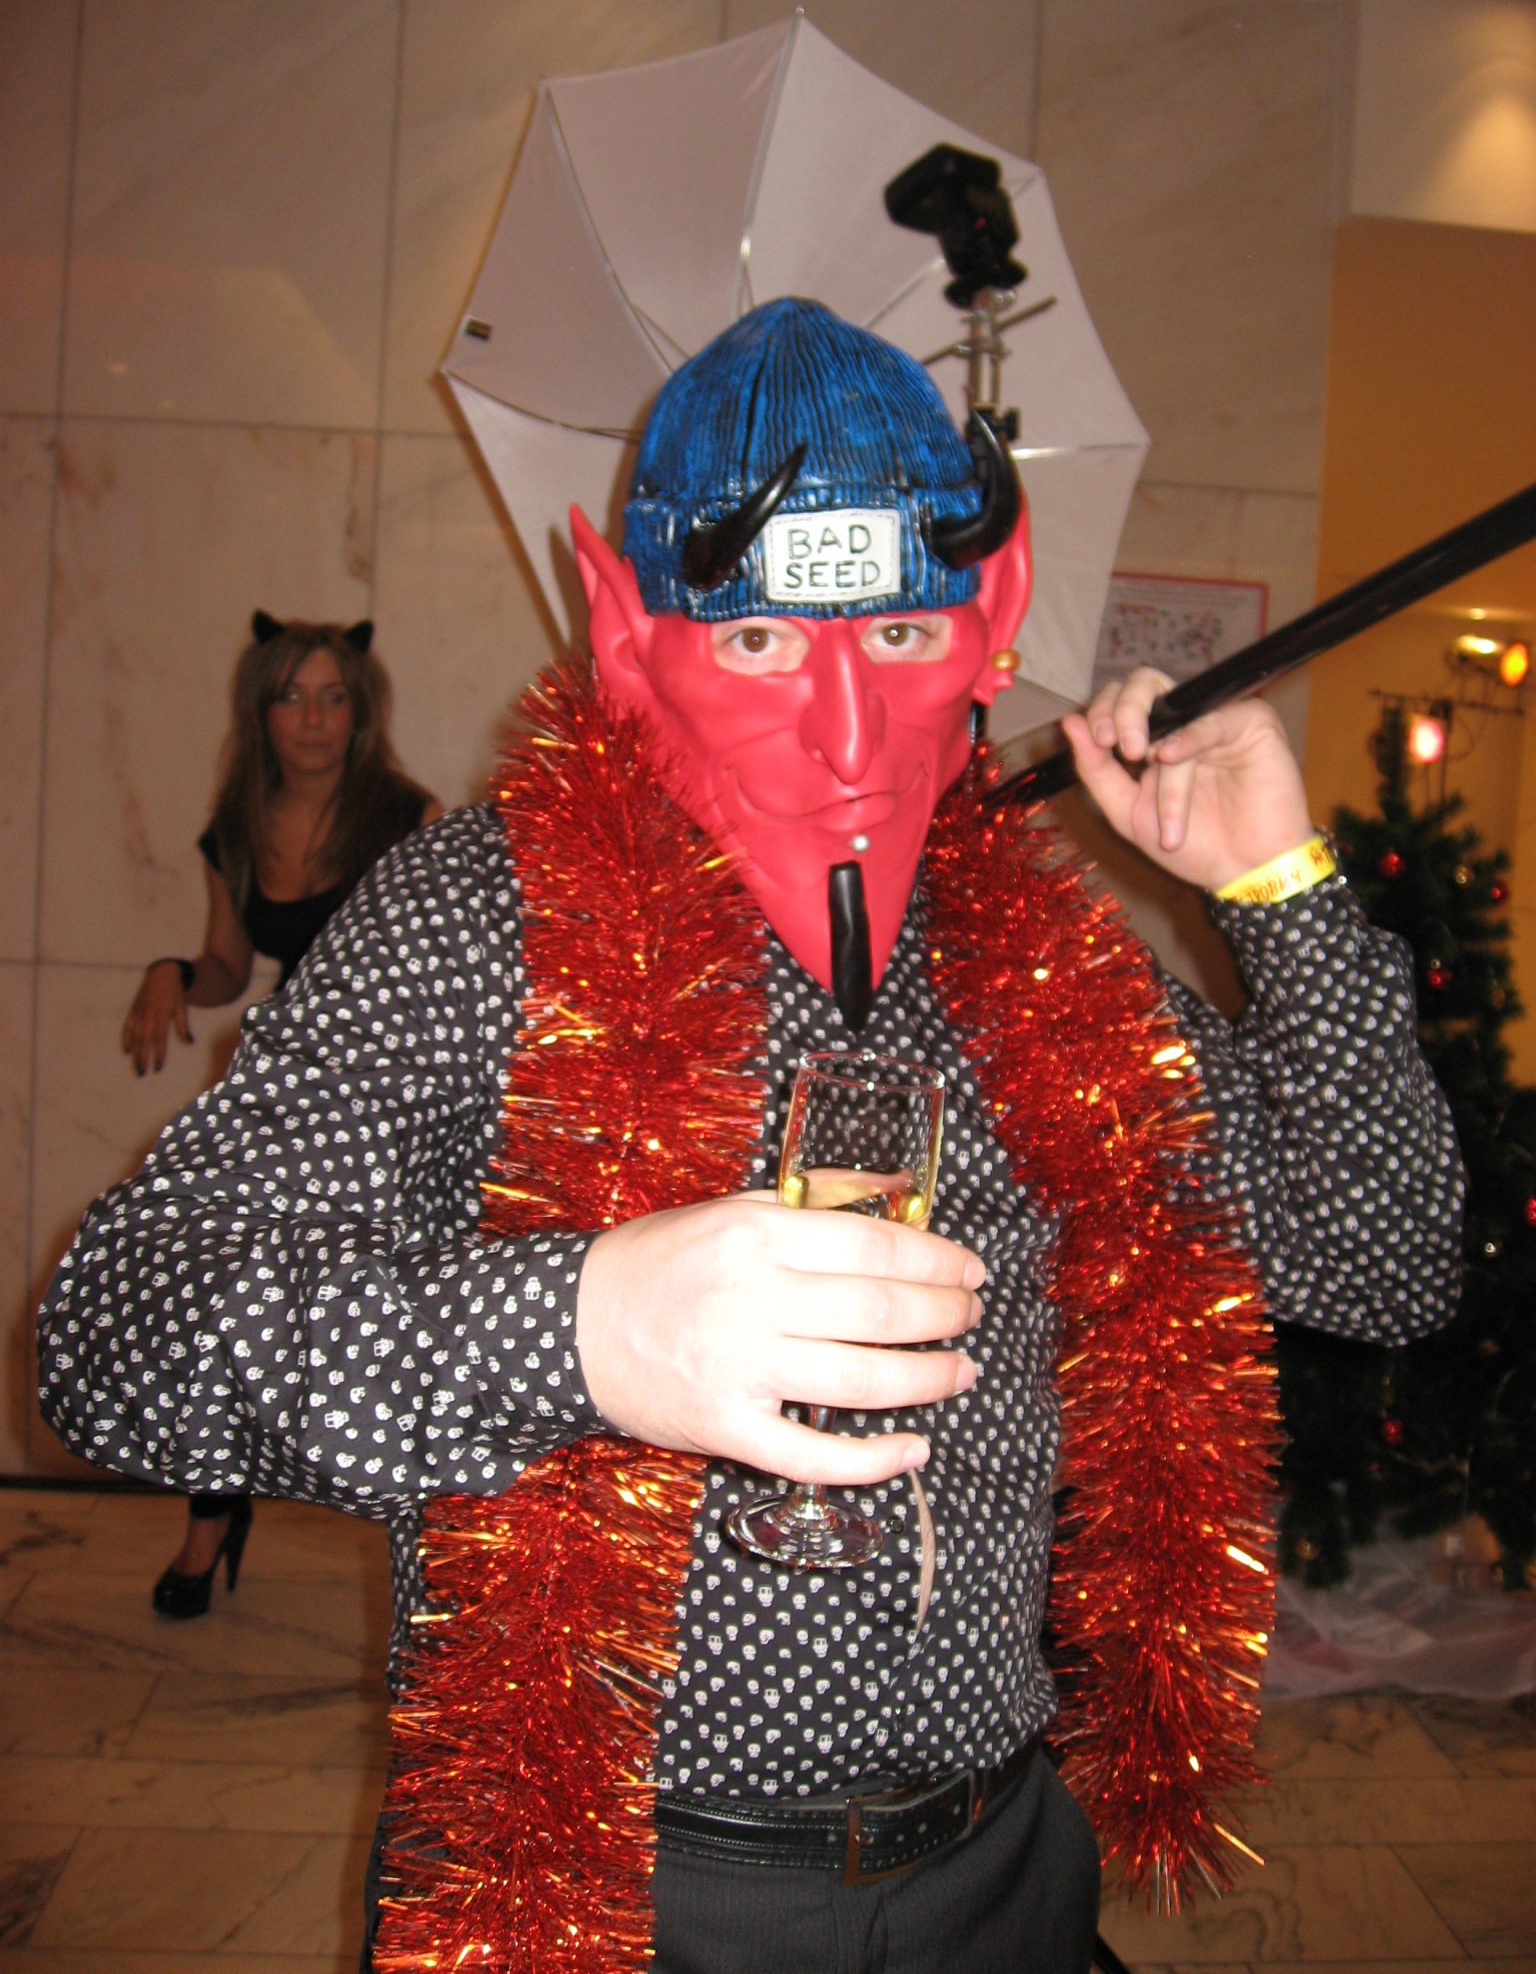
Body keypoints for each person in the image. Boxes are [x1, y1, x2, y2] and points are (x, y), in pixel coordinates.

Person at [42, 300, 1462, 1972]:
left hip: (1006, 1865)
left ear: (995, 617)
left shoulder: (1053, 961)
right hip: (623, 1891)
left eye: (903, 635)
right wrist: (575, 1326)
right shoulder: (478, 922)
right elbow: (116, 1336)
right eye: (764, 643)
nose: (849, 736)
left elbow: (1383, 1261)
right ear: (626, 629)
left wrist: (1280, 891)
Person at [118, 612, 440, 1619]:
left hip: (388, 1091)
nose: (312, 718)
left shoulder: (407, 816)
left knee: (408, 1318)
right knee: (228, 1294)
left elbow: (446, 966)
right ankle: (210, 1523)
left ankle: (441, 1561)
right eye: (291, 696)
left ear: (362, 710)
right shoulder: (236, 825)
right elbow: (228, 966)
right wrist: (172, 973)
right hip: (288, 1089)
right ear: (260, 711)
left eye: (333, 696)